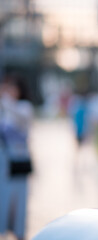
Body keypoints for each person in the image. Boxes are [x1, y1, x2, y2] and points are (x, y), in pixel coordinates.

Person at [0, 74, 33, 240]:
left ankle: (19, 233)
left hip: (19, 162)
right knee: (3, 199)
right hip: (4, 163)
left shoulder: (24, 107)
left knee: (19, 201)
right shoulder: (5, 111)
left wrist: (5, 100)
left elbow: (20, 117)